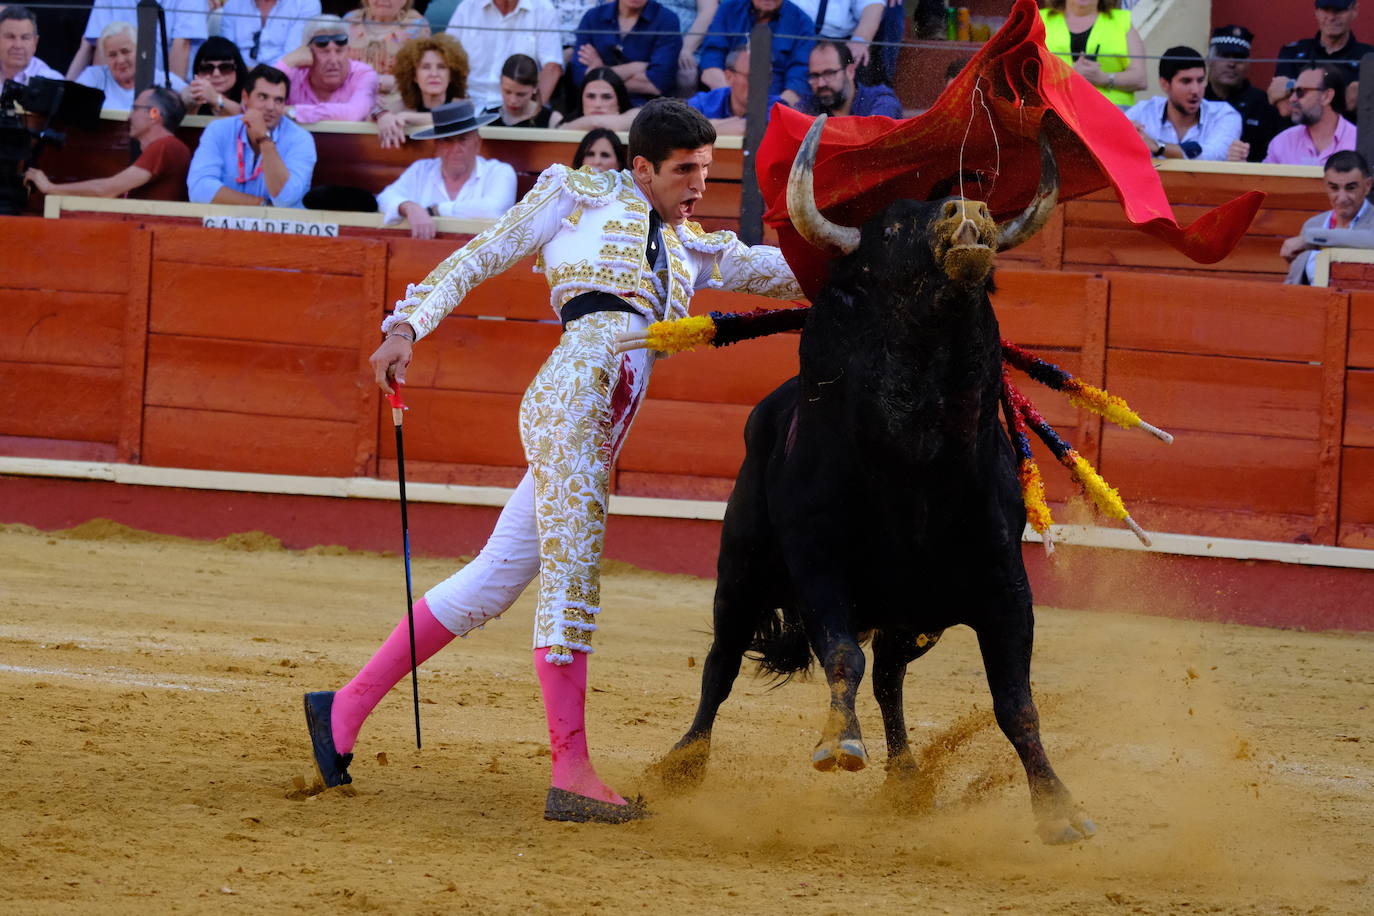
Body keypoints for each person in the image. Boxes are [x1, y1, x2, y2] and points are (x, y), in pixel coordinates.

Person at [303, 98, 802, 824]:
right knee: (572, 576)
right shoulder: (577, 193)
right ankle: (570, 772)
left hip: (599, 424)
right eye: (686, 170)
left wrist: (889, 247)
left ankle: (340, 711)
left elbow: (784, 272)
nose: (700, 184)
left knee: (491, 583)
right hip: (573, 400)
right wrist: (407, 324)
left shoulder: (693, 246)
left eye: (707, 170)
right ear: (641, 167)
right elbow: (484, 252)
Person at [376, 99, 515, 237]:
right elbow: (384, 198)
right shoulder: (421, 170)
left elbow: (495, 209)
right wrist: (408, 207)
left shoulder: (499, 171)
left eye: (462, 139)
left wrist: (436, 210)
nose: (456, 148)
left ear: (477, 143)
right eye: (447, 140)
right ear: (437, 146)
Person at [25, 86, 191, 200]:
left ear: (154, 114)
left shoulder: (166, 146)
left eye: (135, 108)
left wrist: (51, 188)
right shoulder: (169, 147)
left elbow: (108, 189)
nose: (129, 117)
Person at [187, 64, 317, 207]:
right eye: (263, 97)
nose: (271, 107)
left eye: (278, 100)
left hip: (281, 227)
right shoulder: (218, 130)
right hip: (226, 225)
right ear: (245, 97)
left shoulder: (300, 140)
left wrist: (264, 139)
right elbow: (199, 190)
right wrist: (260, 205)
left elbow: (285, 199)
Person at [1124, 45, 1240, 162]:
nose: (1195, 90)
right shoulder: (1143, 111)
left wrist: (1158, 147)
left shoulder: (1224, 114)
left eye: (1200, 80)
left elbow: (1213, 156)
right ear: (1165, 84)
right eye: (1186, 81)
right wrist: (1124, 135)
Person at [445, 0, 563, 112]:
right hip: (468, 107)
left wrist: (532, 114)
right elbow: (446, 58)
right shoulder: (467, 7)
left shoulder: (543, 9)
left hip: (519, 111)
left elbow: (552, 68)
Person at [1282, 149, 1374, 284]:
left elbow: (1369, 240)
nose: (1342, 198)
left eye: (1350, 188)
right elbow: (1292, 282)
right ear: (1325, 185)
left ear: (1367, 186)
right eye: (1334, 188)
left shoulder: (1311, 234)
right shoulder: (1313, 225)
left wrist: (1310, 239)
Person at [698, 0, 813, 106]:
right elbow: (711, 63)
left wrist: (768, 111)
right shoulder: (729, 9)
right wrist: (734, 100)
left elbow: (798, 84)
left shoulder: (802, 23)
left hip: (774, 106)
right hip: (724, 98)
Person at [1271, 0, 1374, 118]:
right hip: (1299, 134)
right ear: (1316, 12)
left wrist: (1301, 95)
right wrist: (1342, 98)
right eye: (1325, 10)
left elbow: (1354, 102)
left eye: (1339, 11)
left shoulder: (1369, 56)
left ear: (1354, 10)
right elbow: (1285, 108)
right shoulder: (1293, 52)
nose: (1331, 17)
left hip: (1350, 134)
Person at [570, 0, 681, 107]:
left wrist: (600, 72)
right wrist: (633, 68)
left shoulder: (667, 19)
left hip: (647, 108)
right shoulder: (593, 16)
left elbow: (657, 84)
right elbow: (580, 77)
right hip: (595, 106)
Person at [1039, 0, 1146, 108]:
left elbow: (1140, 78)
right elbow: (1027, 73)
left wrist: (1104, 78)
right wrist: (1069, 75)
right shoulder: (1040, 19)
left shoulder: (1122, 21)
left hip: (1113, 111)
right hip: (1055, 109)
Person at [67, 0, 207, 81]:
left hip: (162, 90)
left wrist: (169, 100)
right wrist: (105, 95)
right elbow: (102, 45)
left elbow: (182, 45)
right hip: (118, 89)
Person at [274, 14, 379, 122]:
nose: (333, 61)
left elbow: (354, 114)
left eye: (339, 51)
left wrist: (294, 112)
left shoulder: (363, 74)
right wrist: (287, 62)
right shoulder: (294, 73)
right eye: (324, 52)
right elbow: (260, 102)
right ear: (308, 52)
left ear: (348, 51)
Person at [375, 32, 470, 147]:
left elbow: (449, 118)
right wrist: (382, 116)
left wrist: (405, 117)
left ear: (451, 75)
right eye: (426, 67)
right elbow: (373, 114)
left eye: (441, 67)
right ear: (414, 75)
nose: (434, 74)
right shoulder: (403, 106)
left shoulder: (462, 104)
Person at [1205, 24, 1282, 164]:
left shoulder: (1263, 105)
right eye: (1224, 56)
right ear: (1209, 60)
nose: (1231, 63)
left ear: (1248, 64)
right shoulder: (1197, 100)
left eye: (1238, 57)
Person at [75, 20, 187, 111]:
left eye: (125, 51)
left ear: (139, 50)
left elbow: (187, 94)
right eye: (112, 55)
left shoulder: (159, 79)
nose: (120, 60)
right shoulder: (95, 76)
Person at [1265, 63, 1357, 166]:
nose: (1292, 99)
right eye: (1292, 91)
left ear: (1327, 96)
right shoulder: (1281, 143)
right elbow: (1262, 181)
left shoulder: (1361, 143)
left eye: (1300, 92)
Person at [686, 46, 781, 133]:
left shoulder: (777, 107)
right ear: (729, 77)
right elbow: (679, 127)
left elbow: (754, 128)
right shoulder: (705, 102)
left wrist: (702, 127)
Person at [344, 0, 429, 96]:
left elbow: (419, 77)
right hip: (350, 96)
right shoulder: (350, 20)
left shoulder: (416, 27)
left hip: (396, 100)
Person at [802, 39, 899, 117]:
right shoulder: (809, 106)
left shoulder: (879, 100)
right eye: (815, 76)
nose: (820, 83)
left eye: (829, 73)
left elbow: (880, 124)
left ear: (850, 71)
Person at [218, 0, 322, 69]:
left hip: (286, 78)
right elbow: (228, 54)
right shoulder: (233, 4)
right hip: (239, 80)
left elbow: (294, 56)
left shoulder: (307, 3)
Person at [789, 0, 881, 68]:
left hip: (840, 42)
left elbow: (872, 5)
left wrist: (860, 39)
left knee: (855, 60)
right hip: (790, 35)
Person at [482, 53, 559, 128]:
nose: (513, 101)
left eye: (521, 94)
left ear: (535, 87)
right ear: (500, 84)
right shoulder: (487, 118)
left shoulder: (552, 121)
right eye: (507, 92)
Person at [182, 35, 250, 116]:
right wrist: (190, 106)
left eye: (225, 67)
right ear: (198, 72)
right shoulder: (189, 95)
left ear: (237, 69)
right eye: (207, 68)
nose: (216, 74)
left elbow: (245, 117)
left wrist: (216, 99)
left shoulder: (251, 95)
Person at [560, 65, 636, 129]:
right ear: (581, 99)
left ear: (620, 100)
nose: (597, 104)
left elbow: (596, 123)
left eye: (607, 97)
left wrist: (564, 128)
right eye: (590, 96)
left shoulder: (636, 115)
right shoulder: (566, 121)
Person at [0, 5, 60, 85]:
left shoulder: (53, 82)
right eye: (10, 37)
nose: (18, 45)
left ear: (35, 42)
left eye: (25, 38)